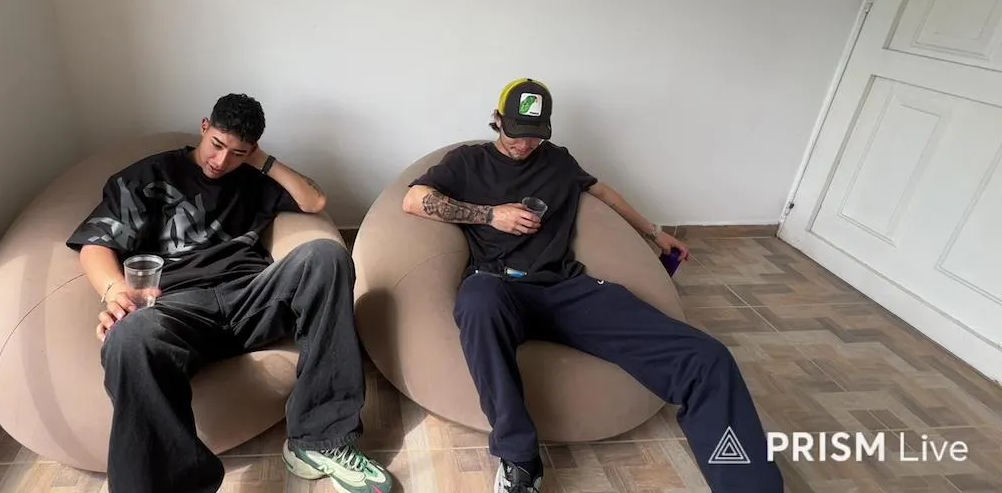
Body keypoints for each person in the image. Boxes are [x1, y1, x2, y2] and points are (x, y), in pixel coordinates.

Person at [402, 78, 784, 493]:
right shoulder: (468, 161)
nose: (524, 145)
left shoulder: (558, 161)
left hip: (566, 288)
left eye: (535, 135)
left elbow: (605, 193)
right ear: (497, 120)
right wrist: (492, 216)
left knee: (708, 358)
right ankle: (520, 458)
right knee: (476, 300)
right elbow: (413, 199)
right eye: (516, 133)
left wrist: (655, 233)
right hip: (498, 286)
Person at [67, 93, 393, 493]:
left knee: (327, 256)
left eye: (237, 153)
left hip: (252, 297)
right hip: (178, 309)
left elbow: (315, 201)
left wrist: (260, 161)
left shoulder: (253, 179)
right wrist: (114, 289)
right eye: (217, 145)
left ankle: (320, 441)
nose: (221, 162)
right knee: (127, 338)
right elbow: (95, 244)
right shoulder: (149, 176)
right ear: (204, 127)